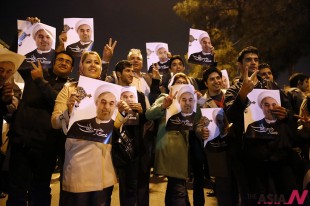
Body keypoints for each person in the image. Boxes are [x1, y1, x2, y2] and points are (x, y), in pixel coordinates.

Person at [224, 46, 303, 205]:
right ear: (239, 64)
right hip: (252, 156)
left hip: (279, 153)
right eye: (248, 59)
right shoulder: (233, 90)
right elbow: (231, 116)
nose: (253, 62)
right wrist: (243, 94)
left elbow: (288, 111)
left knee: (292, 196)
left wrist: (284, 114)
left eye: (256, 59)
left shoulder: (272, 86)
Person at [51, 49, 119, 206]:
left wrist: (121, 113)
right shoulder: (69, 89)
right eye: (88, 62)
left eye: (96, 62)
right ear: (80, 67)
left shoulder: (110, 92)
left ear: (101, 68)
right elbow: (54, 122)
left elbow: (113, 126)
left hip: (103, 160)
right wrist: (67, 111)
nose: (93, 65)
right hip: (77, 160)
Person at [6, 50, 74, 206]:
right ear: (53, 62)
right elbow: (12, 58)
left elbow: (58, 102)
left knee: (41, 190)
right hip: (21, 142)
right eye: (60, 59)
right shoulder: (34, 72)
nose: (63, 63)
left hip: (46, 147)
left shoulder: (70, 87)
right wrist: (24, 32)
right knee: (16, 189)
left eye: (68, 62)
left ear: (71, 69)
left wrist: (41, 82)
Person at [145, 72, 194, 206]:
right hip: (169, 148)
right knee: (178, 189)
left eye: (184, 83)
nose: (181, 85)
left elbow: (197, 123)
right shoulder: (165, 97)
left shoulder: (190, 101)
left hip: (183, 149)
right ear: (172, 85)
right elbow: (149, 114)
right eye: (178, 82)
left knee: (175, 187)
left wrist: (198, 102)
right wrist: (163, 106)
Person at [193, 67, 235, 206]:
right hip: (217, 151)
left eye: (218, 78)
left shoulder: (231, 96)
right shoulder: (201, 103)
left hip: (236, 147)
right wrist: (201, 132)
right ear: (206, 83)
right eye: (212, 79)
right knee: (223, 190)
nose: (216, 81)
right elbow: (197, 125)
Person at [112, 60, 150, 206]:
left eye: (132, 71)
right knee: (127, 188)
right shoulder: (112, 94)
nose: (131, 74)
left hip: (139, 145)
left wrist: (142, 112)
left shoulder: (139, 95)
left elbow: (148, 119)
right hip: (121, 146)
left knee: (142, 187)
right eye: (127, 70)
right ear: (118, 74)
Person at [0, 48, 24, 199]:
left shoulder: (6, 90)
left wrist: (4, 102)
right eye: (1, 70)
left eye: (9, 72)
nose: (4, 75)